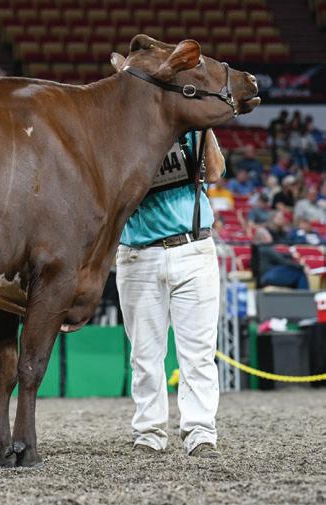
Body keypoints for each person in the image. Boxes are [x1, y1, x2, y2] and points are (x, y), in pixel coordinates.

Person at [117, 129, 225, 458]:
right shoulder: (123, 129)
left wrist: (205, 124)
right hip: (139, 252)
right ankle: (149, 433)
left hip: (194, 246)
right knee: (144, 354)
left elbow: (215, 172)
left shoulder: (190, 128)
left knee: (199, 353)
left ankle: (200, 433)